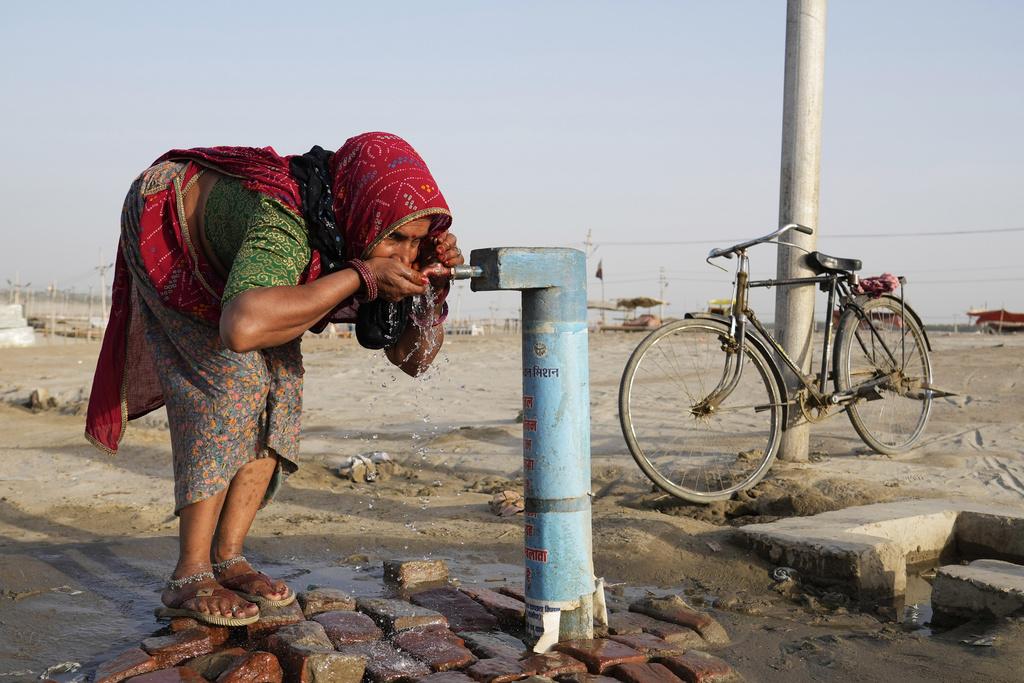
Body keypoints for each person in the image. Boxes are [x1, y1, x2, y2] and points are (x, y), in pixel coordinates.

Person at [84, 132, 463, 626]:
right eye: (394, 238)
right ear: (359, 216)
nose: (403, 255)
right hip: (169, 218)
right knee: (229, 383)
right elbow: (242, 330)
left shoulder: (349, 234)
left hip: (245, 274)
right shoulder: (282, 223)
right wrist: (361, 276)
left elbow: (413, 359)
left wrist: (430, 290)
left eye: (416, 241)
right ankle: (189, 575)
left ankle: (230, 558)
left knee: (281, 385)